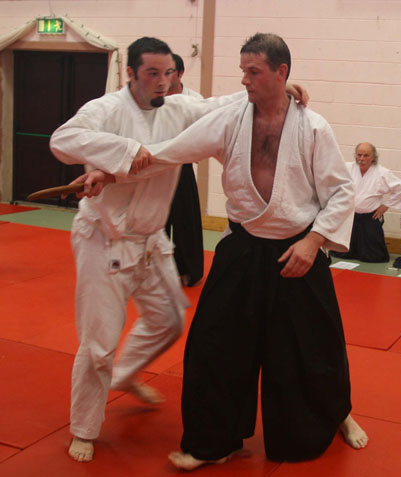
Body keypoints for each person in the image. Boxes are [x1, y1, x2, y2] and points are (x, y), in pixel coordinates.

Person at [114, 32, 368, 470]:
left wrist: (313, 242)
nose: (245, 80)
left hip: (298, 250)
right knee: (214, 346)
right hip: (243, 248)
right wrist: (111, 169)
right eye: (243, 71)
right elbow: (170, 152)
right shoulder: (231, 119)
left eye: (254, 72)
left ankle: (337, 415)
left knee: (312, 350)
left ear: (281, 72)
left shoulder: (313, 127)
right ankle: (215, 442)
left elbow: (342, 192)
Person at [48, 36, 264, 464]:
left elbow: (219, 107)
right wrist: (123, 151)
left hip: (151, 241)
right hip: (103, 240)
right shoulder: (106, 110)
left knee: (169, 320)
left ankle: (125, 375)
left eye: (169, 73)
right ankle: (84, 428)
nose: (163, 82)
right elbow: (63, 139)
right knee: (98, 346)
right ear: (130, 73)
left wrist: (268, 91)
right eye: (152, 73)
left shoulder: (179, 109)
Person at [164, 53, 204, 286]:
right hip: (155, 168)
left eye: (169, 72)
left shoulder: (194, 100)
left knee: (185, 221)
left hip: (182, 167)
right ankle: (154, 270)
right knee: (155, 221)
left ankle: (187, 270)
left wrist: (195, 151)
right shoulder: (152, 98)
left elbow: (205, 133)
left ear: (180, 73)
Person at [332, 142, 401, 262]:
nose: (362, 158)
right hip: (350, 215)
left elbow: (400, 188)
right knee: (343, 252)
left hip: (370, 216)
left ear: (373, 157)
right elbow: (334, 183)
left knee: (374, 255)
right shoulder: (347, 168)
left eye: (366, 155)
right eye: (359, 155)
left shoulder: (382, 173)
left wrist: (386, 205)